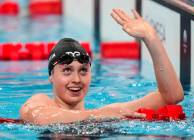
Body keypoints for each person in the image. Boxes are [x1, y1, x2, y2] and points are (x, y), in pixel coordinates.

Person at [20, 8, 184, 125]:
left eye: (83, 70)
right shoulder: (42, 101)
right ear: (51, 76)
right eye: (67, 70)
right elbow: (39, 117)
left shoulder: (110, 112)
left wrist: (151, 38)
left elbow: (171, 97)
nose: (76, 79)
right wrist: (98, 115)